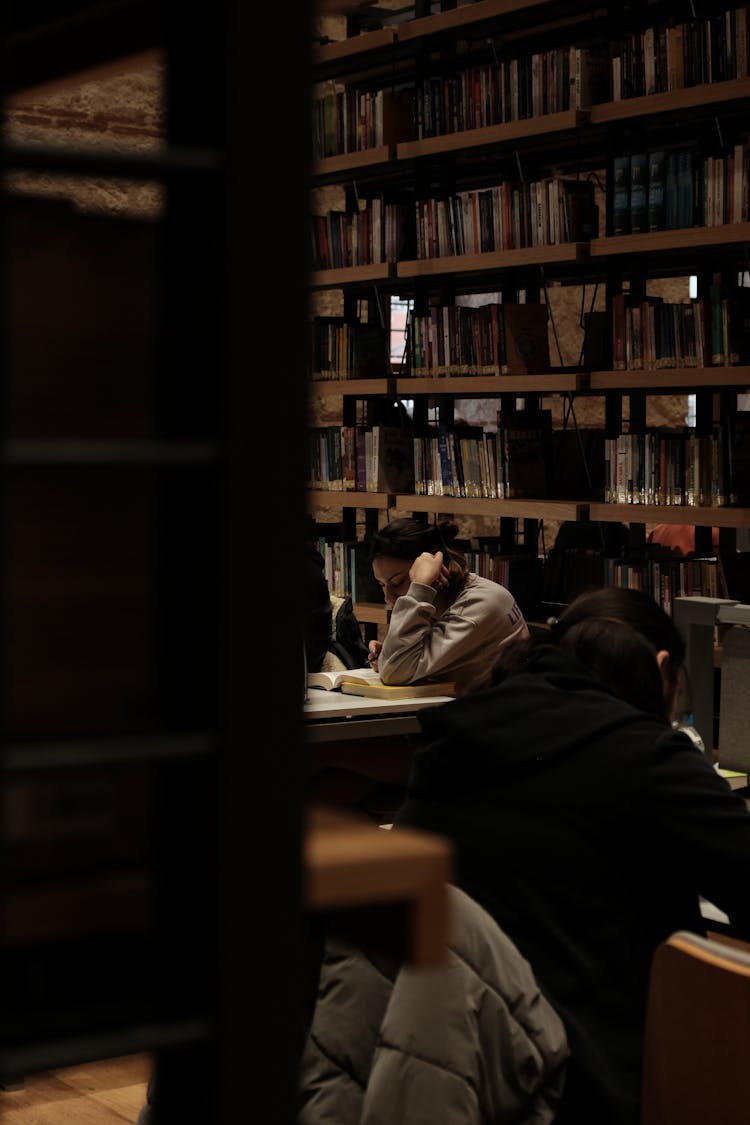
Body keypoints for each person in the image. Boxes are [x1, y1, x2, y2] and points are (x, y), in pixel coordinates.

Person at [392, 585, 750, 1125]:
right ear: (661, 670)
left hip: (447, 1067)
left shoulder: (454, 734)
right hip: (592, 1077)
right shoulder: (643, 753)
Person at [366, 516, 528, 696]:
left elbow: (393, 672)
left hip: (504, 715)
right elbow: (397, 666)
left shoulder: (478, 604)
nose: (388, 597)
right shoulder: (439, 600)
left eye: (397, 582)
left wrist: (420, 589)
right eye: (382, 585)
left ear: (434, 569)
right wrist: (388, 653)